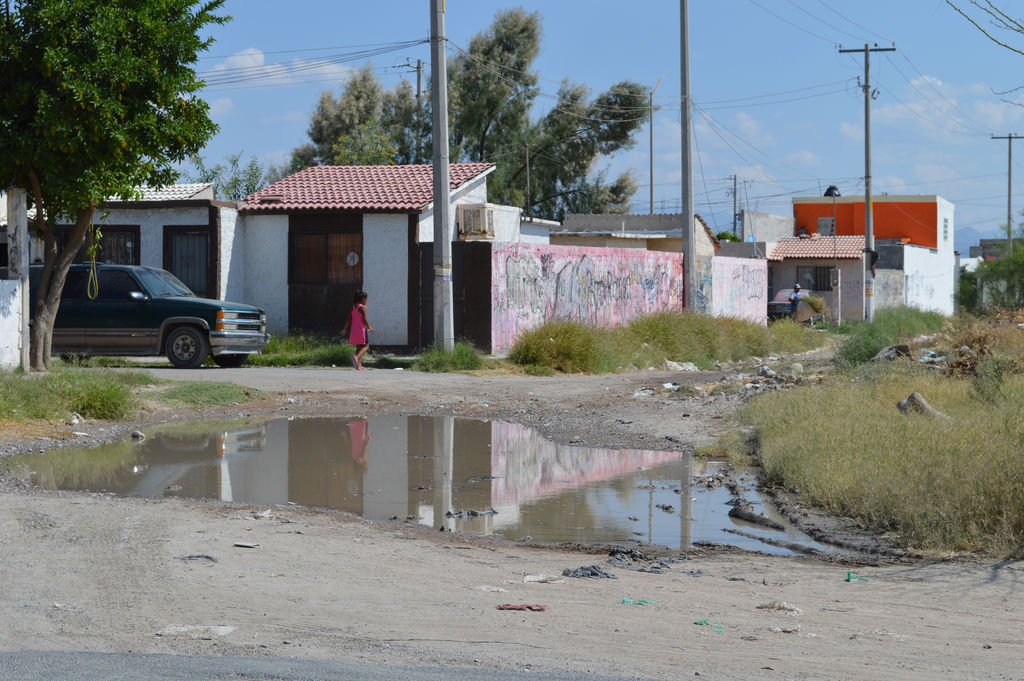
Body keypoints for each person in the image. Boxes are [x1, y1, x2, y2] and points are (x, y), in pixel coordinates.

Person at [341, 290, 373, 370]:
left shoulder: (353, 308)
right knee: (366, 346)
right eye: (366, 299)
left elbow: (349, 320)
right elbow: (365, 320)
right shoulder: (363, 307)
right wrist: (369, 327)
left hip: (354, 331)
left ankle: (359, 365)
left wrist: (344, 329)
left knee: (358, 347)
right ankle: (356, 357)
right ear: (363, 299)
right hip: (361, 330)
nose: (366, 301)